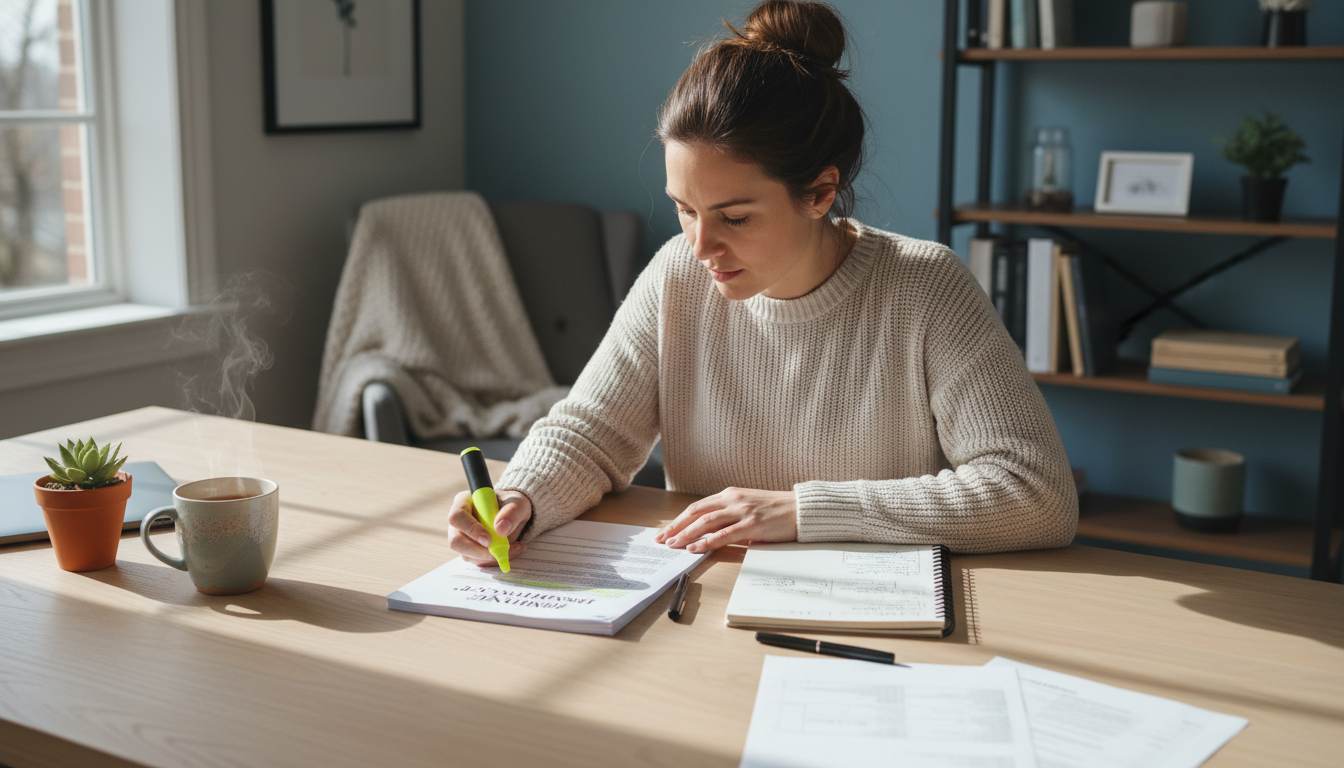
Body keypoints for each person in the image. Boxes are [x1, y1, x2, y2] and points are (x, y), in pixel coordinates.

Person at [447, 0, 1077, 567]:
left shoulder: (925, 289)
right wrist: (520, 496)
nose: (701, 247)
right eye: (684, 209)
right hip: (705, 604)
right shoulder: (676, 276)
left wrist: (804, 512)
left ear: (820, 192)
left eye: (735, 217)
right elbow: (590, 433)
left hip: (872, 614)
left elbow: (1035, 492)